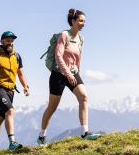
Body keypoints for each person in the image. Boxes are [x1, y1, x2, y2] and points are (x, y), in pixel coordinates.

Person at [37, 9, 101, 146]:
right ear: (73, 21)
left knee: (83, 97)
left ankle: (85, 133)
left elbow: (79, 57)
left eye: (84, 21)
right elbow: (58, 56)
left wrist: (77, 72)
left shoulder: (81, 39)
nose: (83, 24)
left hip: (73, 72)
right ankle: (42, 136)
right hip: (58, 74)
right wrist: (67, 73)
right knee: (52, 107)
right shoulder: (64, 35)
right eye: (80, 21)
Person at [0, 31, 30, 151]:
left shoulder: (17, 56)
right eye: (8, 40)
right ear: (2, 41)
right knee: (10, 110)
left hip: (10, 91)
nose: (10, 43)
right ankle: (12, 143)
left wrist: (25, 86)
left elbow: (20, 73)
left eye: (12, 41)